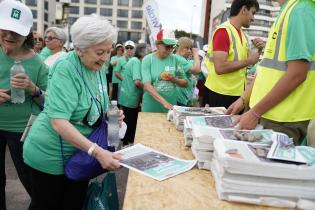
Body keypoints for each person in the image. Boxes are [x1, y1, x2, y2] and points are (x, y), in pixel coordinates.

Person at [23, 15, 123, 210]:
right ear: (79, 49)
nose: (105, 58)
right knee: (47, 205)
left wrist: (112, 115)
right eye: (100, 52)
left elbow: (97, 101)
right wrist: (97, 151)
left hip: (80, 155)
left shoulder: (98, 67)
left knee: (74, 204)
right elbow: (58, 122)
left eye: (108, 51)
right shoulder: (66, 68)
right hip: (50, 155)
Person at [226, 0, 315, 145]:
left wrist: (255, 112)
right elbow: (266, 69)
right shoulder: (288, 11)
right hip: (272, 113)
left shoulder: (300, 12)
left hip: (284, 119)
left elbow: (297, 74)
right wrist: (244, 99)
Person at [0, 0, 48, 209]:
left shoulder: (38, 64)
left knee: (31, 180)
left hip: (23, 130)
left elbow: (51, 102)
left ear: (26, 34)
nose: (9, 36)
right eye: (5, 29)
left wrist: (33, 89)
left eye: (16, 32)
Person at [203, 0, 263, 108]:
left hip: (236, 94)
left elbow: (247, 63)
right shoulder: (223, 32)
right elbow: (220, 68)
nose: (253, 18)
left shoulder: (244, 36)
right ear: (244, 10)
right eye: (253, 13)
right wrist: (249, 61)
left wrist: (259, 50)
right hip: (220, 93)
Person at [141, 30, 194, 113]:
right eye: (167, 46)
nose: (170, 50)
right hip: (150, 108)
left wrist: (174, 80)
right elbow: (147, 86)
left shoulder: (175, 59)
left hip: (169, 108)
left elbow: (185, 83)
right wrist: (164, 102)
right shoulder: (148, 60)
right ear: (157, 44)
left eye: (172, 46)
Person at [119, 43, 150, 146]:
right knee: (130, 125)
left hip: (128, 97)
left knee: (128, 123)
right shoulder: (136, 62)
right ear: (143, 53)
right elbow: (137, 82)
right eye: (148, 53)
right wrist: (148, 90)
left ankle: (126, 145)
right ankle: (127, 147)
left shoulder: (134, 61)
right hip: (130, 98)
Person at [175, 37, 200, 107]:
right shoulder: (180, 59)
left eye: (190, 48)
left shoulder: (178, 58)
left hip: (181, 97)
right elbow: (197, 70)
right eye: (187, 48)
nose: (189, 51)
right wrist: (196, 54)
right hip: (179, 98)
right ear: (180, 47)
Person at [114, 40, 135, 105]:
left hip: (133, 86)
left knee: (132, 104)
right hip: (123, 86)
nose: (129, 49)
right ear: (124, 49)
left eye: (131, 48)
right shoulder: (120, 59)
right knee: (122, 104)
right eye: (127, 48)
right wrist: (124, 80)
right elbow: (116, 72)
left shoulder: (136, 59)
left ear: (134, 49)